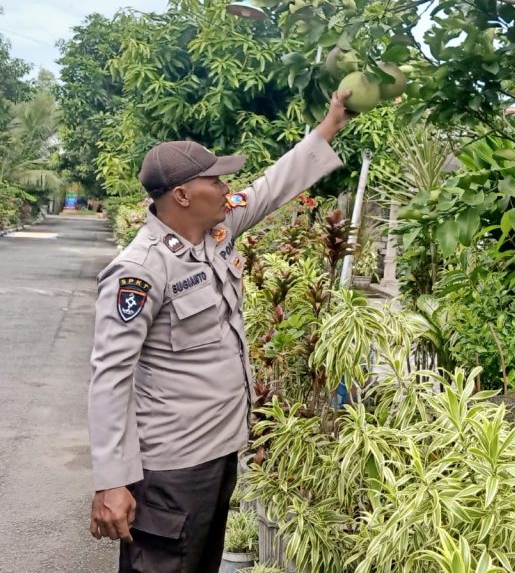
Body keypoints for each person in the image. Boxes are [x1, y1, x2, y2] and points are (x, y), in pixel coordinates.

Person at [88, 91, 353, 572]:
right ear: (182, 195)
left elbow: (275, 184)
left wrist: (332, 122)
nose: (228, 185)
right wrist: (112, 480)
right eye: (215, 178)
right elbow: (110, 376)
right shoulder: (140, 271)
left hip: (218, 452)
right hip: (171, 465)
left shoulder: (217, 228)